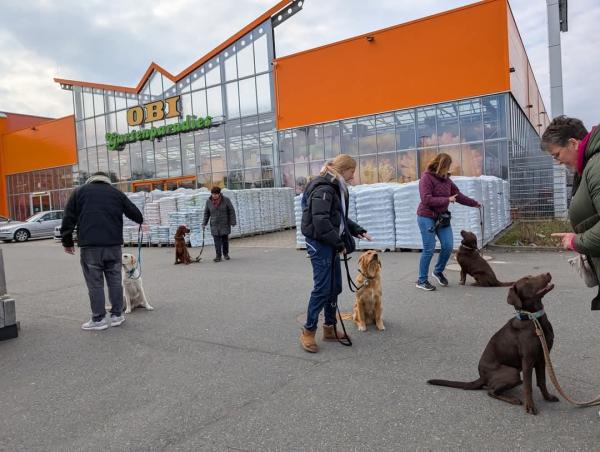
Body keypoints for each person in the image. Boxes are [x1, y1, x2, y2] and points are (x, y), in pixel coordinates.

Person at [300, 154, 373, 353]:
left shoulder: (335, 187)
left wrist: (358, 230)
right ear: (344, 170)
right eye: (352, 172)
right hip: (320, 243)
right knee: (323, 289)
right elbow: (320, 221)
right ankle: (308, 331)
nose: (353, 176)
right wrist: (339, 242)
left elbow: (337, 217)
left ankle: (329, 328)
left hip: (329, 241)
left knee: (335, 287)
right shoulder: (324, 188)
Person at [61, 172, 144, 331]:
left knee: (95, 284)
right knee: (114, 281)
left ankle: (98, 319)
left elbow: (68, 217)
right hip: (113, 246)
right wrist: (140, 221)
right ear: (107, 181)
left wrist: (67, 241)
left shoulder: (80, 192)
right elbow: (135, 212)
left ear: (91, 180)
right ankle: (117, 315)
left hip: (90, 247)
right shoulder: (116, 193)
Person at [543, 115, 600, 310]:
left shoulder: (596, 167)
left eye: (557, 154)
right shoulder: (589, 166)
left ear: (573, 143)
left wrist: (577, 241)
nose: (558, 161)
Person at [416, 153, 480, 291]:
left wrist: (474, 203)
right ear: (441, 165)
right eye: (447, 166)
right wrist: (446, 200)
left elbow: (458, 196)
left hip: (442, 217)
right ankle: (421, 280)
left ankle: (438, 271)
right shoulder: (426, 178)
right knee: (429, 248)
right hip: (426, 216)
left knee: (448, 245)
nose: (448, 169)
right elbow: (426, 199)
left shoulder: (447, 180)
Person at [202, 186, 237, 262]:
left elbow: (231, 211)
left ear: (219, 194)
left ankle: (225, 254)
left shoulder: (226, 200)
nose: (214, 196)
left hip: (224, 223)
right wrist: (204, 223)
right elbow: (206, 213)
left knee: (225, 240)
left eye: (216, 194)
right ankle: (218, 256)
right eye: (213, 194)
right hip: (214, 224)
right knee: (216, 241)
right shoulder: (208, 201)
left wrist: (233, 221)